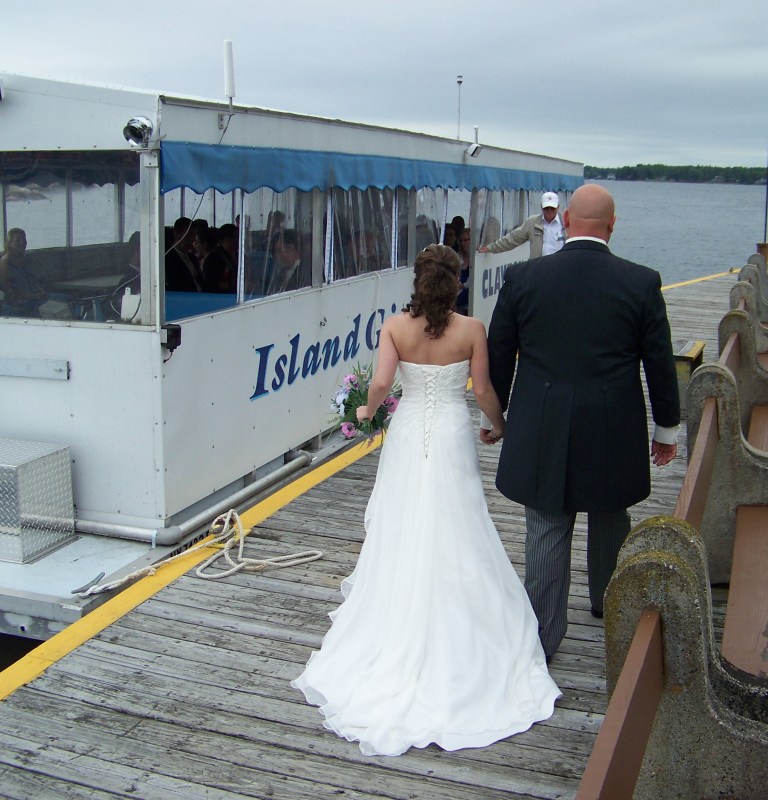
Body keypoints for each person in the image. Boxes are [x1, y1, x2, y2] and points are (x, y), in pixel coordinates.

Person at [292, 244, 560, 757]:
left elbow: (381, 383)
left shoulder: (394, 327)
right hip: (453, 430)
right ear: (457, 282)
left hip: (410, 428)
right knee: (458, 520)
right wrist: (497, 425)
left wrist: (364, 415)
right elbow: (481, 390)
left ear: (417, 283)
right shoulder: (472, 330)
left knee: (405, 517)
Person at [482, 184, 681, 660]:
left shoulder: (523, 278)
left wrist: (499, 418)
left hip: (541, 425)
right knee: (611, 515)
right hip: (613, 425)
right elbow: (658, 362)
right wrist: (666, 430)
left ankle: (544, 640)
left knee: (547, 528)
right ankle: (608, 606)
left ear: (565, 220)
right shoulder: (641, 282)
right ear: (613, 226)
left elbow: (498, 354)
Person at [478, 192, 565, 259]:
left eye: (552, 208)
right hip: (538, 270)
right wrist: (491, 248)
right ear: (541, 207)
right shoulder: (532, 222)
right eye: (546, 208)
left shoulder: (566, 223)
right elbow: (513, 239)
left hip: (560, 269)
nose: (549, 210)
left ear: (558, 207)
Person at [0, 228, 48, 315]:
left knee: (63, 299)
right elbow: (8, 289)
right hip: (21, 301)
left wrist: (41, 291)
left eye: (24, 239)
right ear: (10, 244)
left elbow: (33, 280)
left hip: (35, 296)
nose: (22, 242)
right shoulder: (5, 262)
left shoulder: (25, 259)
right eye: (18, 240)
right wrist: (33, 296)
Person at [165, 217, 201, 292]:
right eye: (190, 235)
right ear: (177, 234)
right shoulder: (168, 259)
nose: (193, 239)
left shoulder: (192, 257)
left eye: (194, 235)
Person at [455, 227, 472, 314]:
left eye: (466, 240)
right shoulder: (457, 257)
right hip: (458, 295)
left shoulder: (475, 257)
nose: (463, 243)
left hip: (469, 296)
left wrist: (463, 285)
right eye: (461, 241)